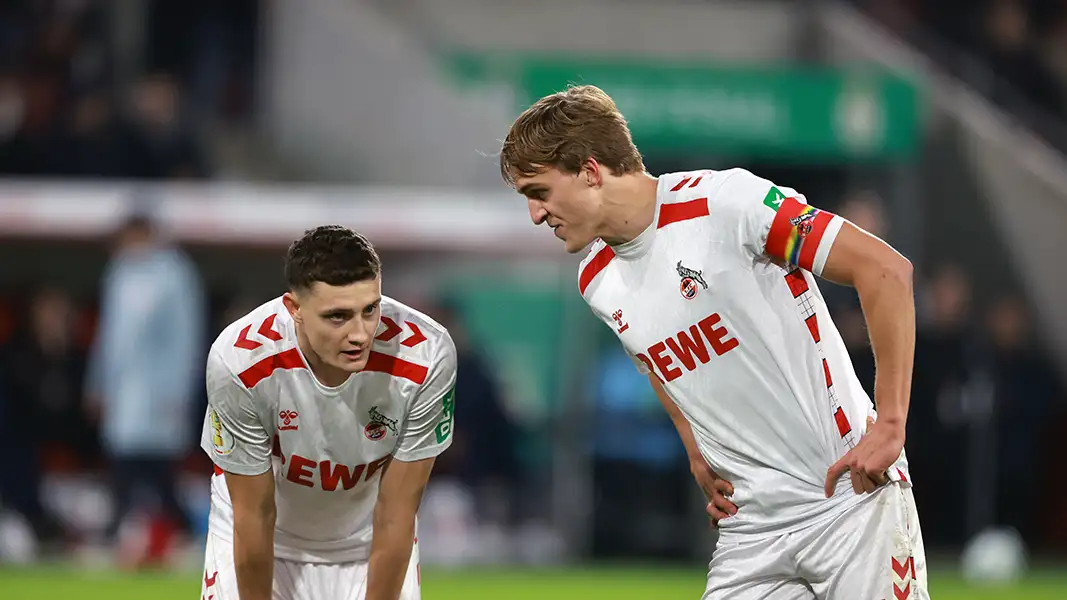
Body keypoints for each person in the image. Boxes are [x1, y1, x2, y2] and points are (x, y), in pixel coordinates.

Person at [499, 85, 926, 599]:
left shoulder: (727, 205)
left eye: (539, 192)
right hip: (752, 528)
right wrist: (696, 451)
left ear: (590, 172)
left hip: (849, 501)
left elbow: (885, 270)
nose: (535, 215)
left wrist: (891, 422)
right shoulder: (596, 280)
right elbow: (655, 362)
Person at [199, 225, 457, 600]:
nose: (360, 334)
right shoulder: (239, 362)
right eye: (338, 316)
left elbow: (397, 513)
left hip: (367, 545)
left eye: (370, 309)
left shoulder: (428, 356)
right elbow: (254, 515)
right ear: (295, 309)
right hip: (263, 536)